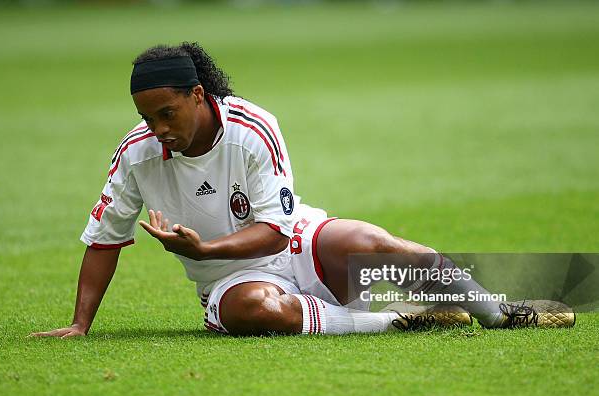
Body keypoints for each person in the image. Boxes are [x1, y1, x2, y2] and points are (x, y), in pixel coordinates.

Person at [31, 42, 574, 339]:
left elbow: (275, 232)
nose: (157, 128)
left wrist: (202, 247)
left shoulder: (253, 129)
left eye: (166, 113)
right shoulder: (137, 154)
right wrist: (81, 324)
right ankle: (396, 318)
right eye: (146, 117)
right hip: (230, 279)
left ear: (198, 95)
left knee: (377, 245)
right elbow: (104, 239)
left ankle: (498, 311)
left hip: (293, 243)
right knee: (259, 312)